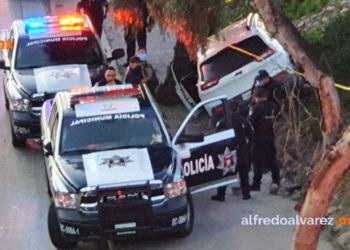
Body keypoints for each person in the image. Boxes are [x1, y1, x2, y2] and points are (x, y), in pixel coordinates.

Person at [211, 100, 253, 202]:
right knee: (243, 172)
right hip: (241, 149)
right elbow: (251, 134)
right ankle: (246, 193)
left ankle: (221, 194)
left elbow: (216, 135)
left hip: (228, 151)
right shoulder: (243, 120)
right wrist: (248, 147)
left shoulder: (223, 121)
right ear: (238, 109)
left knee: (225, 173)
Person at [248, 88, 280, 194]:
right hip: (270, 136)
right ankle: (276, 180)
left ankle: (256, 184)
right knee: (272, 160)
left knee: (257, 162)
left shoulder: (255, 108)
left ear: (256, 97)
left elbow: (251, 123)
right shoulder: (273, 106)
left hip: (258, 138)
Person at [123, 0, 154, 67]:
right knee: (130, 42)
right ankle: (130, 61)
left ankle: (143, 61)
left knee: (142, 44)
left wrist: (150, 22)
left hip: (141, 21)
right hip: (129, 21)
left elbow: (149, 7)